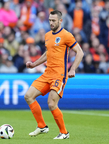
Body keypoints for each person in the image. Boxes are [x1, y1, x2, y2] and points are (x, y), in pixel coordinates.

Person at [24, 10, 84, 139]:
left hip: (59, 75)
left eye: (53, 21)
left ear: (60, 21)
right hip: (47, 74)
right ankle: (41, 126)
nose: (51, 23)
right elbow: (48, 53)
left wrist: (73, 69)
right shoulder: (47, 35)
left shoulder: (67, 35)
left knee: (51, 103)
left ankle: (64, 133)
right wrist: (34, 64)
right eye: (50, 20)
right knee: (28, 96)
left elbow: (80, 52)